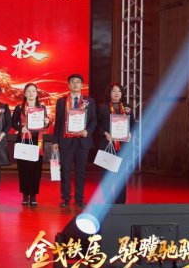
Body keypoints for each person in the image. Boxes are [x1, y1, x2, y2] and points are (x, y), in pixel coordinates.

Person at [52, 73, 97, 207]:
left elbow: (94, 120)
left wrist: (88, 131)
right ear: (69, 85)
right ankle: (65, 198)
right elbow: (58, 123)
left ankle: (79, 199)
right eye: (72, 82)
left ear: (82, 85)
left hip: (82, 141)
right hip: (66, 141)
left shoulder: (89, 101)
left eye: (78, 82)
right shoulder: (62, 101)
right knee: (65, 170)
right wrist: (55, 141)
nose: (75, 84)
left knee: (80, 171)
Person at [11, 82, 51, 206]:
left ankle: (33, 195)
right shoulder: (19, 108)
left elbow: (45, 124)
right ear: (24, 94)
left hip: (37, 141)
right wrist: (20, 128)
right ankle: (25, 194)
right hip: (23, 140)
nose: (31, 93)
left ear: (37, 93)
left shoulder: (42, 108)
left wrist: (47, 122)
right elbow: (13, 123)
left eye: (33, 91)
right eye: (28, 91)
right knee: (23, 169)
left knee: (36, 169)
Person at [96, 83, 135, 204]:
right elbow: (97, 125)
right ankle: (107, 202)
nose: (117, 93)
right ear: (109, 93)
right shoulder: (102, 107)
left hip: (123, 146)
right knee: (106, 176)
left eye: (119, 91)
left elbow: (133, 125)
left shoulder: (127, 107)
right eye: (114, 91)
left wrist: (130, 134)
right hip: (107, 145)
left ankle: (120, 202)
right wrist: (105, 133)